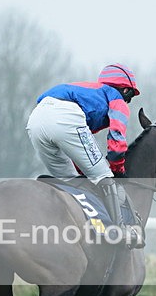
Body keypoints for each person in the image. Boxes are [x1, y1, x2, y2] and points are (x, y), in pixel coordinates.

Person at [26, 63, 144, 248]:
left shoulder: (90, 92)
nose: (128, 101)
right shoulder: (115, 98)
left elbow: (79, 151)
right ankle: (118, 231)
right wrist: (117, 169)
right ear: (125, 90)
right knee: (104, 176)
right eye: (130, 96)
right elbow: (117, 139)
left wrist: (88, 170)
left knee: (71, 181)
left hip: (35, 119)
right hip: (64, 116)